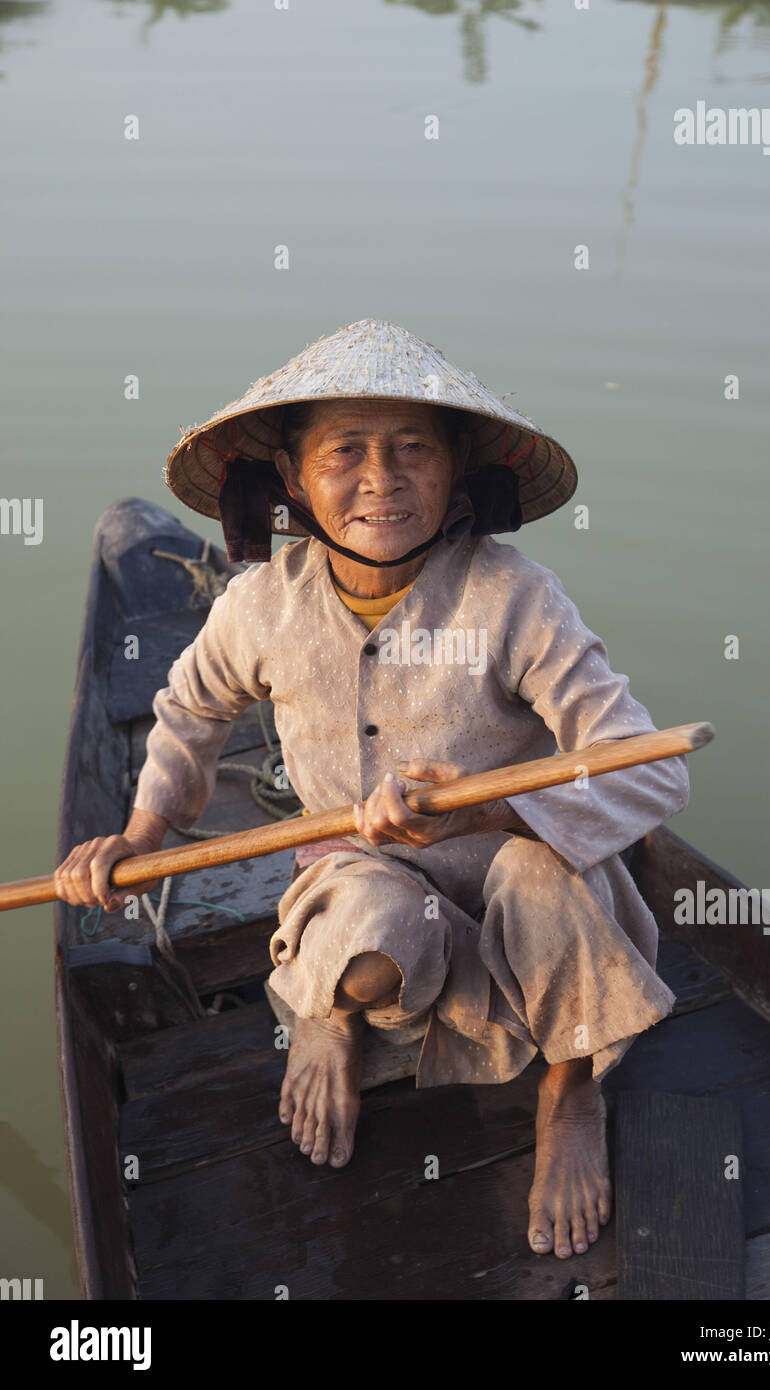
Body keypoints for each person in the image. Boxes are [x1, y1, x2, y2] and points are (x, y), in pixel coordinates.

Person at [54, 319, 689, 1260]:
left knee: (541, 878)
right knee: (361, 949)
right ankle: (333, 1017)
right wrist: (142, 836)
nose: (381, 479)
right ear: (293, 478)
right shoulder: (260, 605)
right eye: (345, 450)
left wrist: (487, 805)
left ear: (458, 466)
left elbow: (650, 765)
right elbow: (187, 711)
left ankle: (570, 1089)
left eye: (413, 450)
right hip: (361, 877)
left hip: (518, 888)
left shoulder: (514, 598)